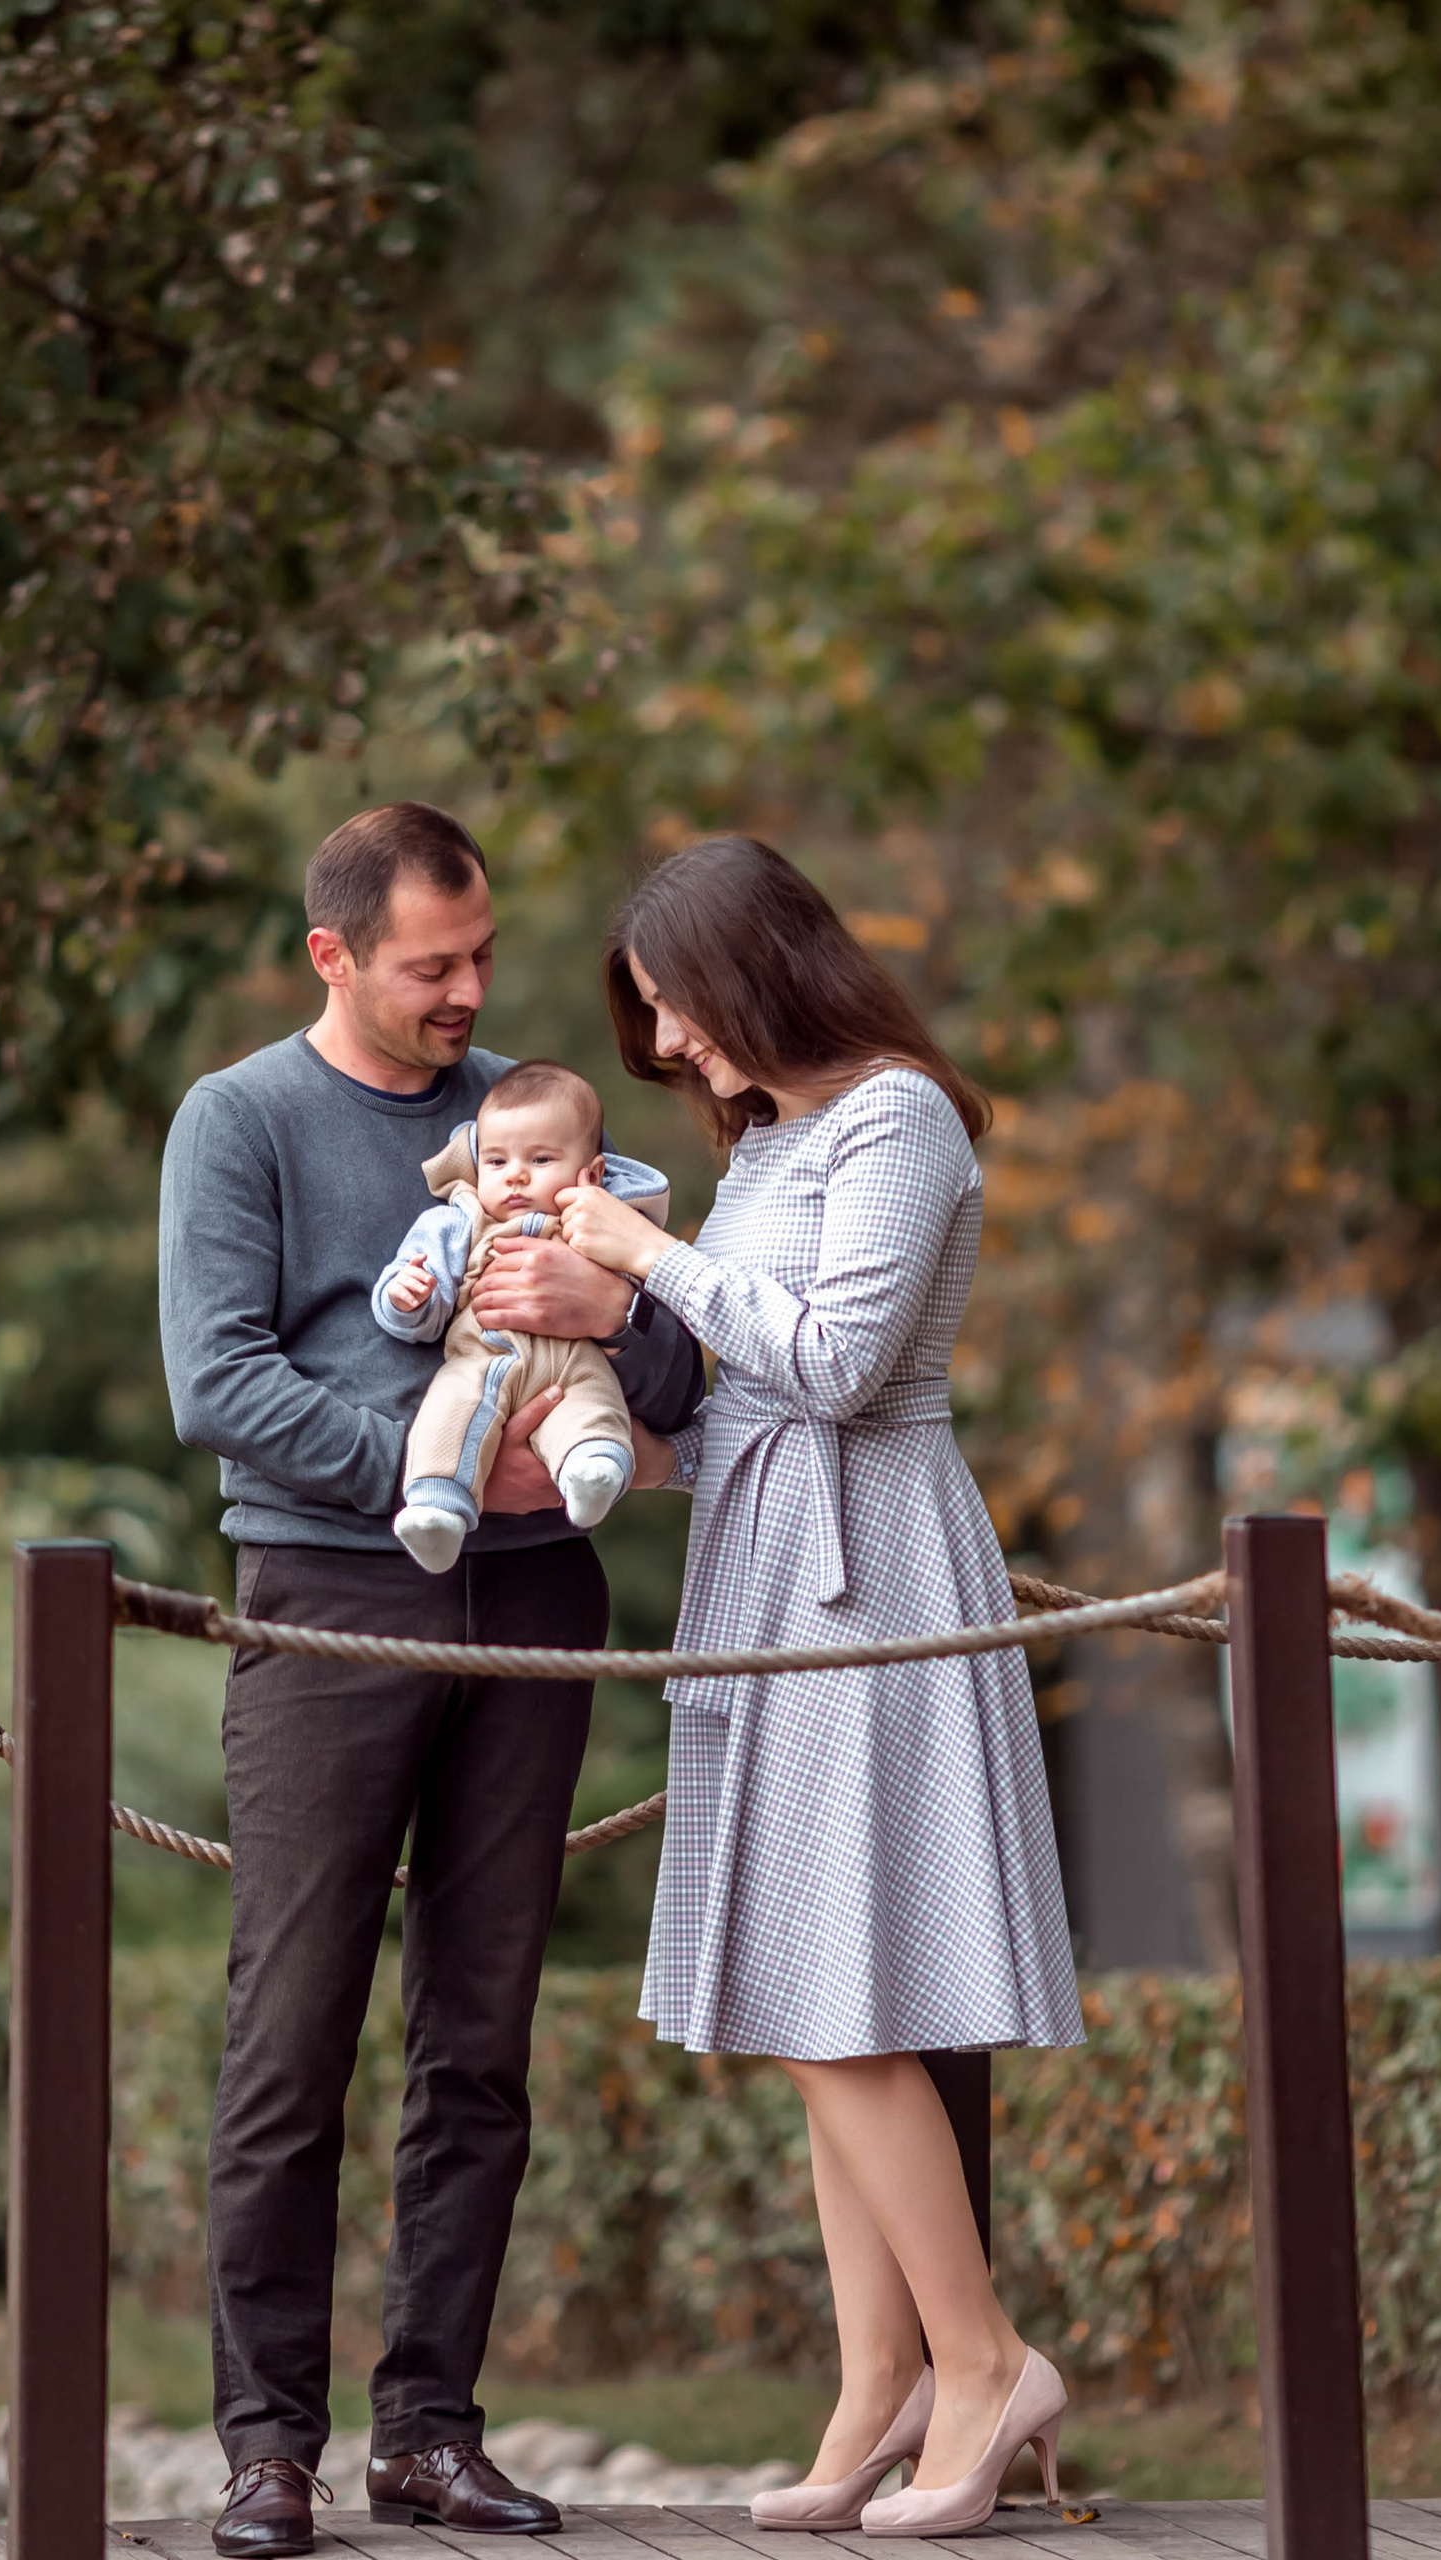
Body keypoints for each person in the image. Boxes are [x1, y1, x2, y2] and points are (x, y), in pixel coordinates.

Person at [158, 803, 700, 2557]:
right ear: (333, 955)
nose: (474, 990)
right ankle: (266, 2450)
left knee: (482, 2037)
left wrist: (606, 1329)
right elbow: (219, 1384)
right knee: (291, 2033)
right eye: (431, 967)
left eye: (481, 955)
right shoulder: (239, 1122)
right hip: (327, 1601)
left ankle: (430, 2433)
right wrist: (429, 1460)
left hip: (540, 1599)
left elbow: (680, 1354)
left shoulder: (546, 1119)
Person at [556, 834, 1081, 2537]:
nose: (682, 1056)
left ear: (755, 970)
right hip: (767, 1560)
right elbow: (747, 1401)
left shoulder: (896, 1117)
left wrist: (644, 1262)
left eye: (682, 1017)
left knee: (835, 1998)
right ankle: (882, 2384)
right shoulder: (773, 1136)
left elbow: (843, 1368)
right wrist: (602, 1421)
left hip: (876, 1564)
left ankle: (986, 2362)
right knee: (801, 1997)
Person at [374, 1057, 670, 1572]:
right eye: (496, 1162)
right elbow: (425, 1290)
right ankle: (435, 1510)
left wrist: (615, 1295)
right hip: (480, 1357)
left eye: (539, 1160)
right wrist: (409, 1295)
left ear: (591, 1172)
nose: (514, 1176)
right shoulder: (456, 1222)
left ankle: (592, 1472)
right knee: (448, 1410)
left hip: (575, 1362)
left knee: (593, 1404)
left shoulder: (607, 1222)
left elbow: (648, 1297)